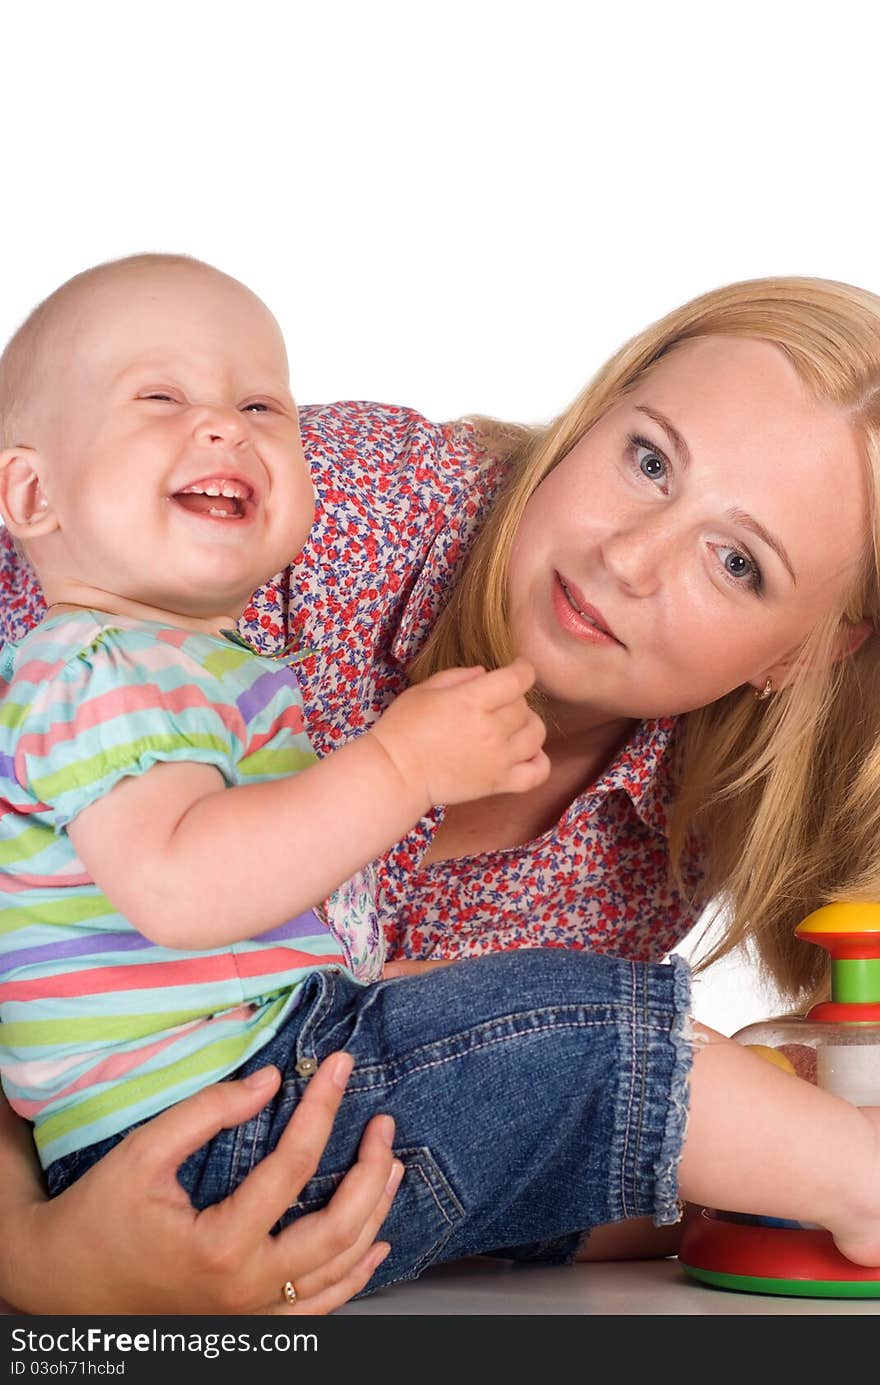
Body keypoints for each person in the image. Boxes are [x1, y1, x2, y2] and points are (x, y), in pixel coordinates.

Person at [3, 257, 880, 1314]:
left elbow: (486, 1114)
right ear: (590, 413)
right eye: (648, 460)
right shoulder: (259, 512)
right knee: (608, 1049)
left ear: (801, 654)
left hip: (312, 1166)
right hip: (159, 1152)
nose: (630, 560)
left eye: (735, 562)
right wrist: (34, 1251)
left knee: (611, 1073)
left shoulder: (676, 822)